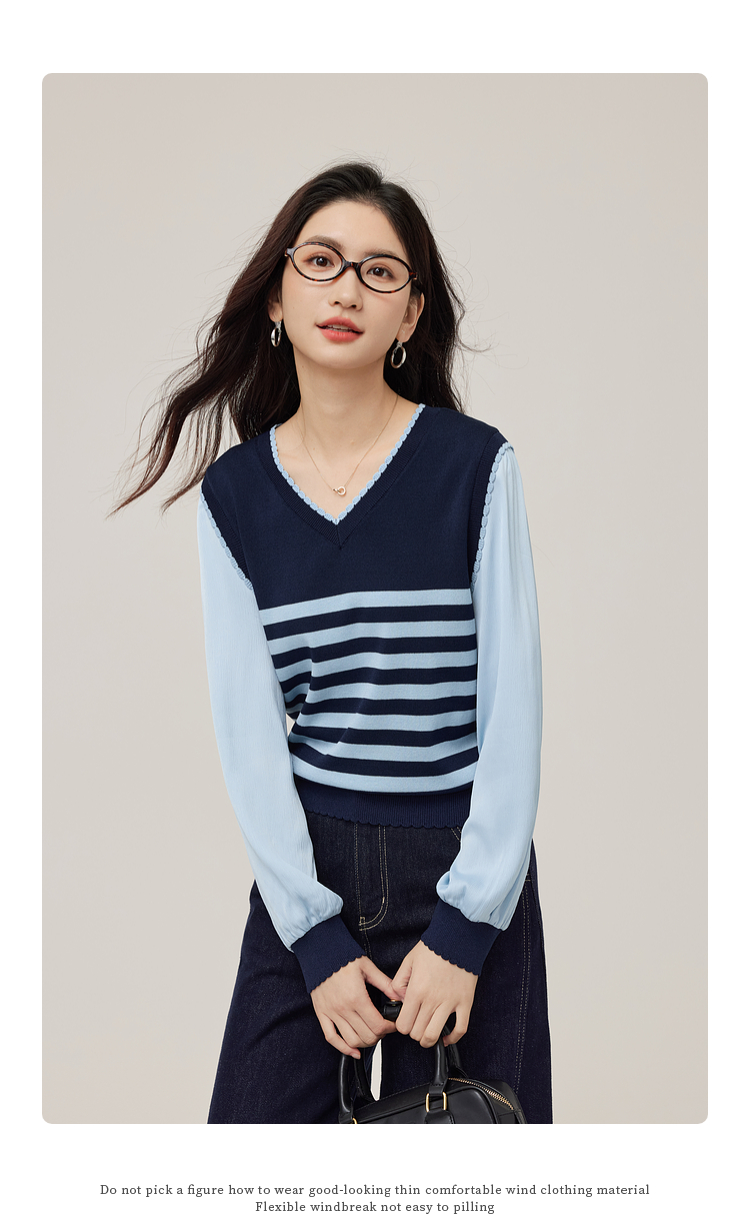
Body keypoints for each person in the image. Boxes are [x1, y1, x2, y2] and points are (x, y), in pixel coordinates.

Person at [115, 161, 552, 1123]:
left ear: (411, 315)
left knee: (478, 1168)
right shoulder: (236, 497)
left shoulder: (474, 466)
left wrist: (468, 927)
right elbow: (249, 735)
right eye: (321, 261)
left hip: (465, 865)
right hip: (310, 870)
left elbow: (513, 711)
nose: (347, 289)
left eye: (379, 272)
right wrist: (312, 937)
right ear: (278, 295)